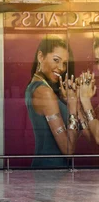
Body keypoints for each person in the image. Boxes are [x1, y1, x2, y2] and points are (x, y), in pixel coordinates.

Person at [25, 36, 84, 167]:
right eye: (56, 60)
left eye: (64, 63)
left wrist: (72, 103)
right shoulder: (44, 92)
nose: (61, 68)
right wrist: (73, 108)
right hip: (50, 171)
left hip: (50, 170)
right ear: (41, 56)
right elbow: (68, 150)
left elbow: (74, 135)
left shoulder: (36, 87)